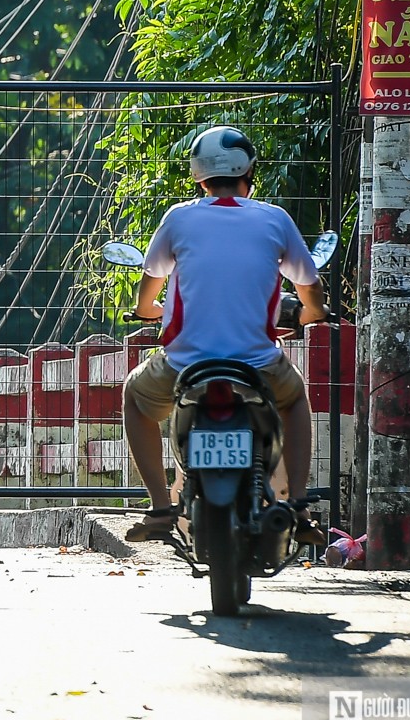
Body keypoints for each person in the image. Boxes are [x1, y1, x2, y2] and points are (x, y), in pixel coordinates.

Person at [120, 126, 329, 546]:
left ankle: (161, 508)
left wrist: (147, 311)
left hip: (184, 366)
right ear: (250, 170)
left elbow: (149, 286)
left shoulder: (178, 218)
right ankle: (301, 505)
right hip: (258, 365)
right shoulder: (274, 218)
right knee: (295, 399)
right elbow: (310, 286)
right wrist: (313, 314)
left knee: (134, 397)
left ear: (199, 176)